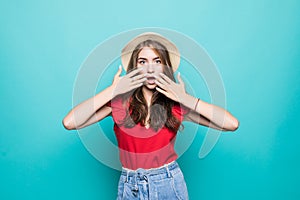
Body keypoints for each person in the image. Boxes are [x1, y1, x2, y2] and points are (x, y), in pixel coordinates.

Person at [62, 32, 239, 199]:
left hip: (168, 184)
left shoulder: (176, 106)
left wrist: (186, 98)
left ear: (165, 66)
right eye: (142, 61)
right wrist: (112, 90)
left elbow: (231, 124)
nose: (150, 68)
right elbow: (70, 122)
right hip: (129, 186)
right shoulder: (119, 103)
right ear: (134, 67)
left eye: (157, 61)